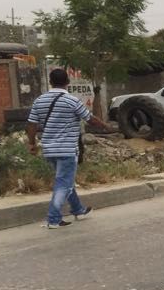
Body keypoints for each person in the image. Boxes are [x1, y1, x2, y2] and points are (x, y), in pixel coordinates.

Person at [26, 68, 113, 229]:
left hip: (49, 150)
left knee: (65, 181)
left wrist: (32, 144)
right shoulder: (71, 100)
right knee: (63, 183)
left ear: (51, 82)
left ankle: (78, 210)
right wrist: (106, 126)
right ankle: (53, 218)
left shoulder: (40, 100)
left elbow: (31, 125)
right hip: (66, 150)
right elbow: (90, 119)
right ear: (68, 82)